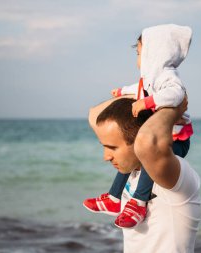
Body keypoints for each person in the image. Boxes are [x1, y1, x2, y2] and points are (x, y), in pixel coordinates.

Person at [83, 24, 194, 228]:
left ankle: (139, 202)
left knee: (143, 154)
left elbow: (176, 94)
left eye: (140, 53)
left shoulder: (167, 76)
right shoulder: (149, 79)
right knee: (128, 153)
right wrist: (123, 91)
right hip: (160, 136)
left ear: (156, 54)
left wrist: (148, 103)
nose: (138, 59)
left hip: (175, 140)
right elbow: (138, 90)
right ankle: (115, 198)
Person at [87, 97, 201, 253]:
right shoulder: (132, 173)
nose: (106, 157)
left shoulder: (173, 177)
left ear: (138, 141)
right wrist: (144, 97)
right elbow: (94, 114)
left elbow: (147, 142)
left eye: (112, 148)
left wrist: (172, 108)